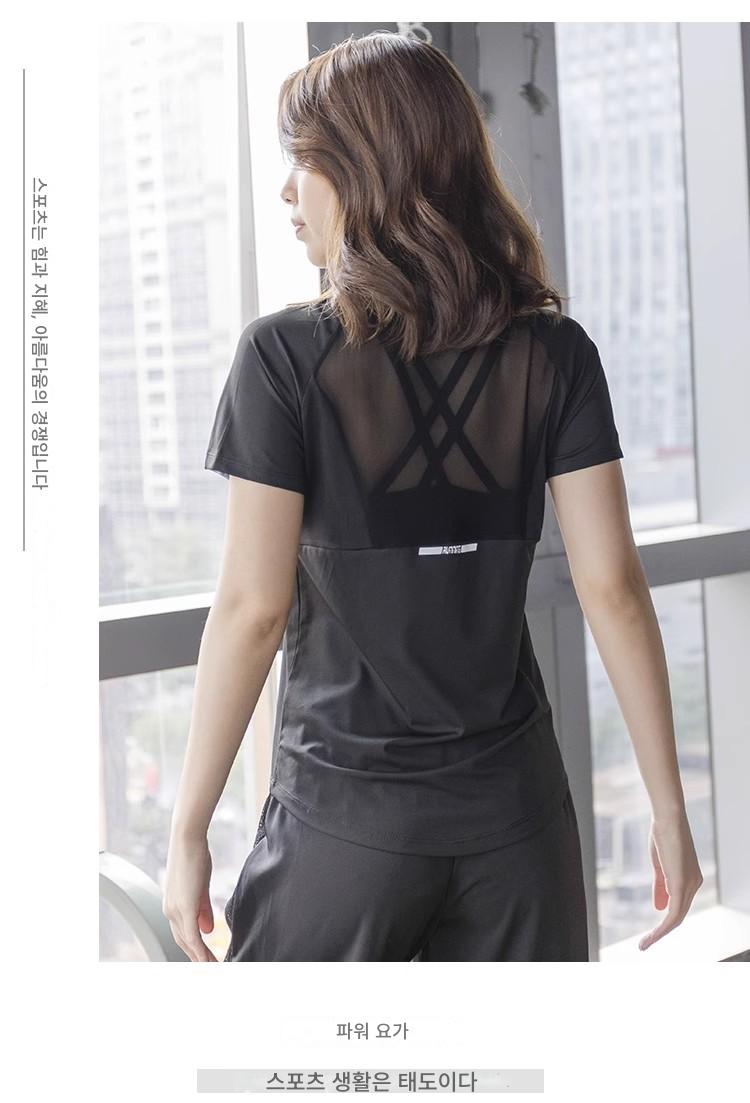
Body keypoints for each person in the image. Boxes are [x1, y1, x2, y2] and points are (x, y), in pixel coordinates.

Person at [163, 31, 703, 962]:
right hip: (518, 827)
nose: (287, 191)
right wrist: (669, 806)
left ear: (366, 167)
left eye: (304, 160)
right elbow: (612, 587)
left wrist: (187, 830)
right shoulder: (556, 353)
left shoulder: (283, 358)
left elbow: (253, 609)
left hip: (343, 825)